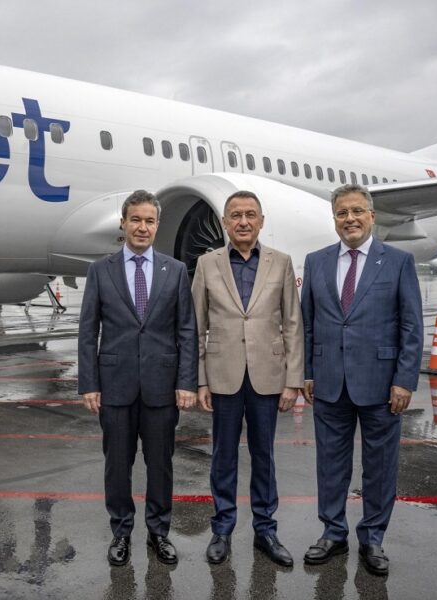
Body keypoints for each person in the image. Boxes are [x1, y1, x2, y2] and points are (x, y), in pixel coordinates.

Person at [300, 183, 423, 576]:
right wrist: (307, 372)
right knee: (330, 464)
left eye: (357, 211)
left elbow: (411, 326)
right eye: (342, 213)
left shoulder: (398, 261)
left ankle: (372, 537)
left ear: (372, 216)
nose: (349, 219)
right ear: (334, 219)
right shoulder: (316, 262)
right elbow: (308, 324)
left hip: (382, 384)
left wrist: (404, 380)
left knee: (380, 466)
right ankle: (333, 532)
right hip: (329, 382)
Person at [78, 189, 198, 567]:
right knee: (117, 465)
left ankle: (159, 532)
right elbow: (88, 331)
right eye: (135, 220)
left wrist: (186, 381)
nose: (142, 227)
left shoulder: (174, 270)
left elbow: (187, 331)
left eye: (149, 221)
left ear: (157, 225)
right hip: (115, 386)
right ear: (123, 223)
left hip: (162, 387)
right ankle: (121, 531)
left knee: (160, 464)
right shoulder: (101, 270)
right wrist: (89, 383)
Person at [191, 190, 304, 566]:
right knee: (222, 456)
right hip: (222, 376)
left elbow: (293, 323)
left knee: (264, 455)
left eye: (250, 215)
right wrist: (201, 380)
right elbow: (196, 326)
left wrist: (293, 380)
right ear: (225, 222)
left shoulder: (280, 262)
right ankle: (222, 528)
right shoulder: (207, 264)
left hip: (267, 377)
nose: (243, 221)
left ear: (261, 222)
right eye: (236, 215)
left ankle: (265, 529)